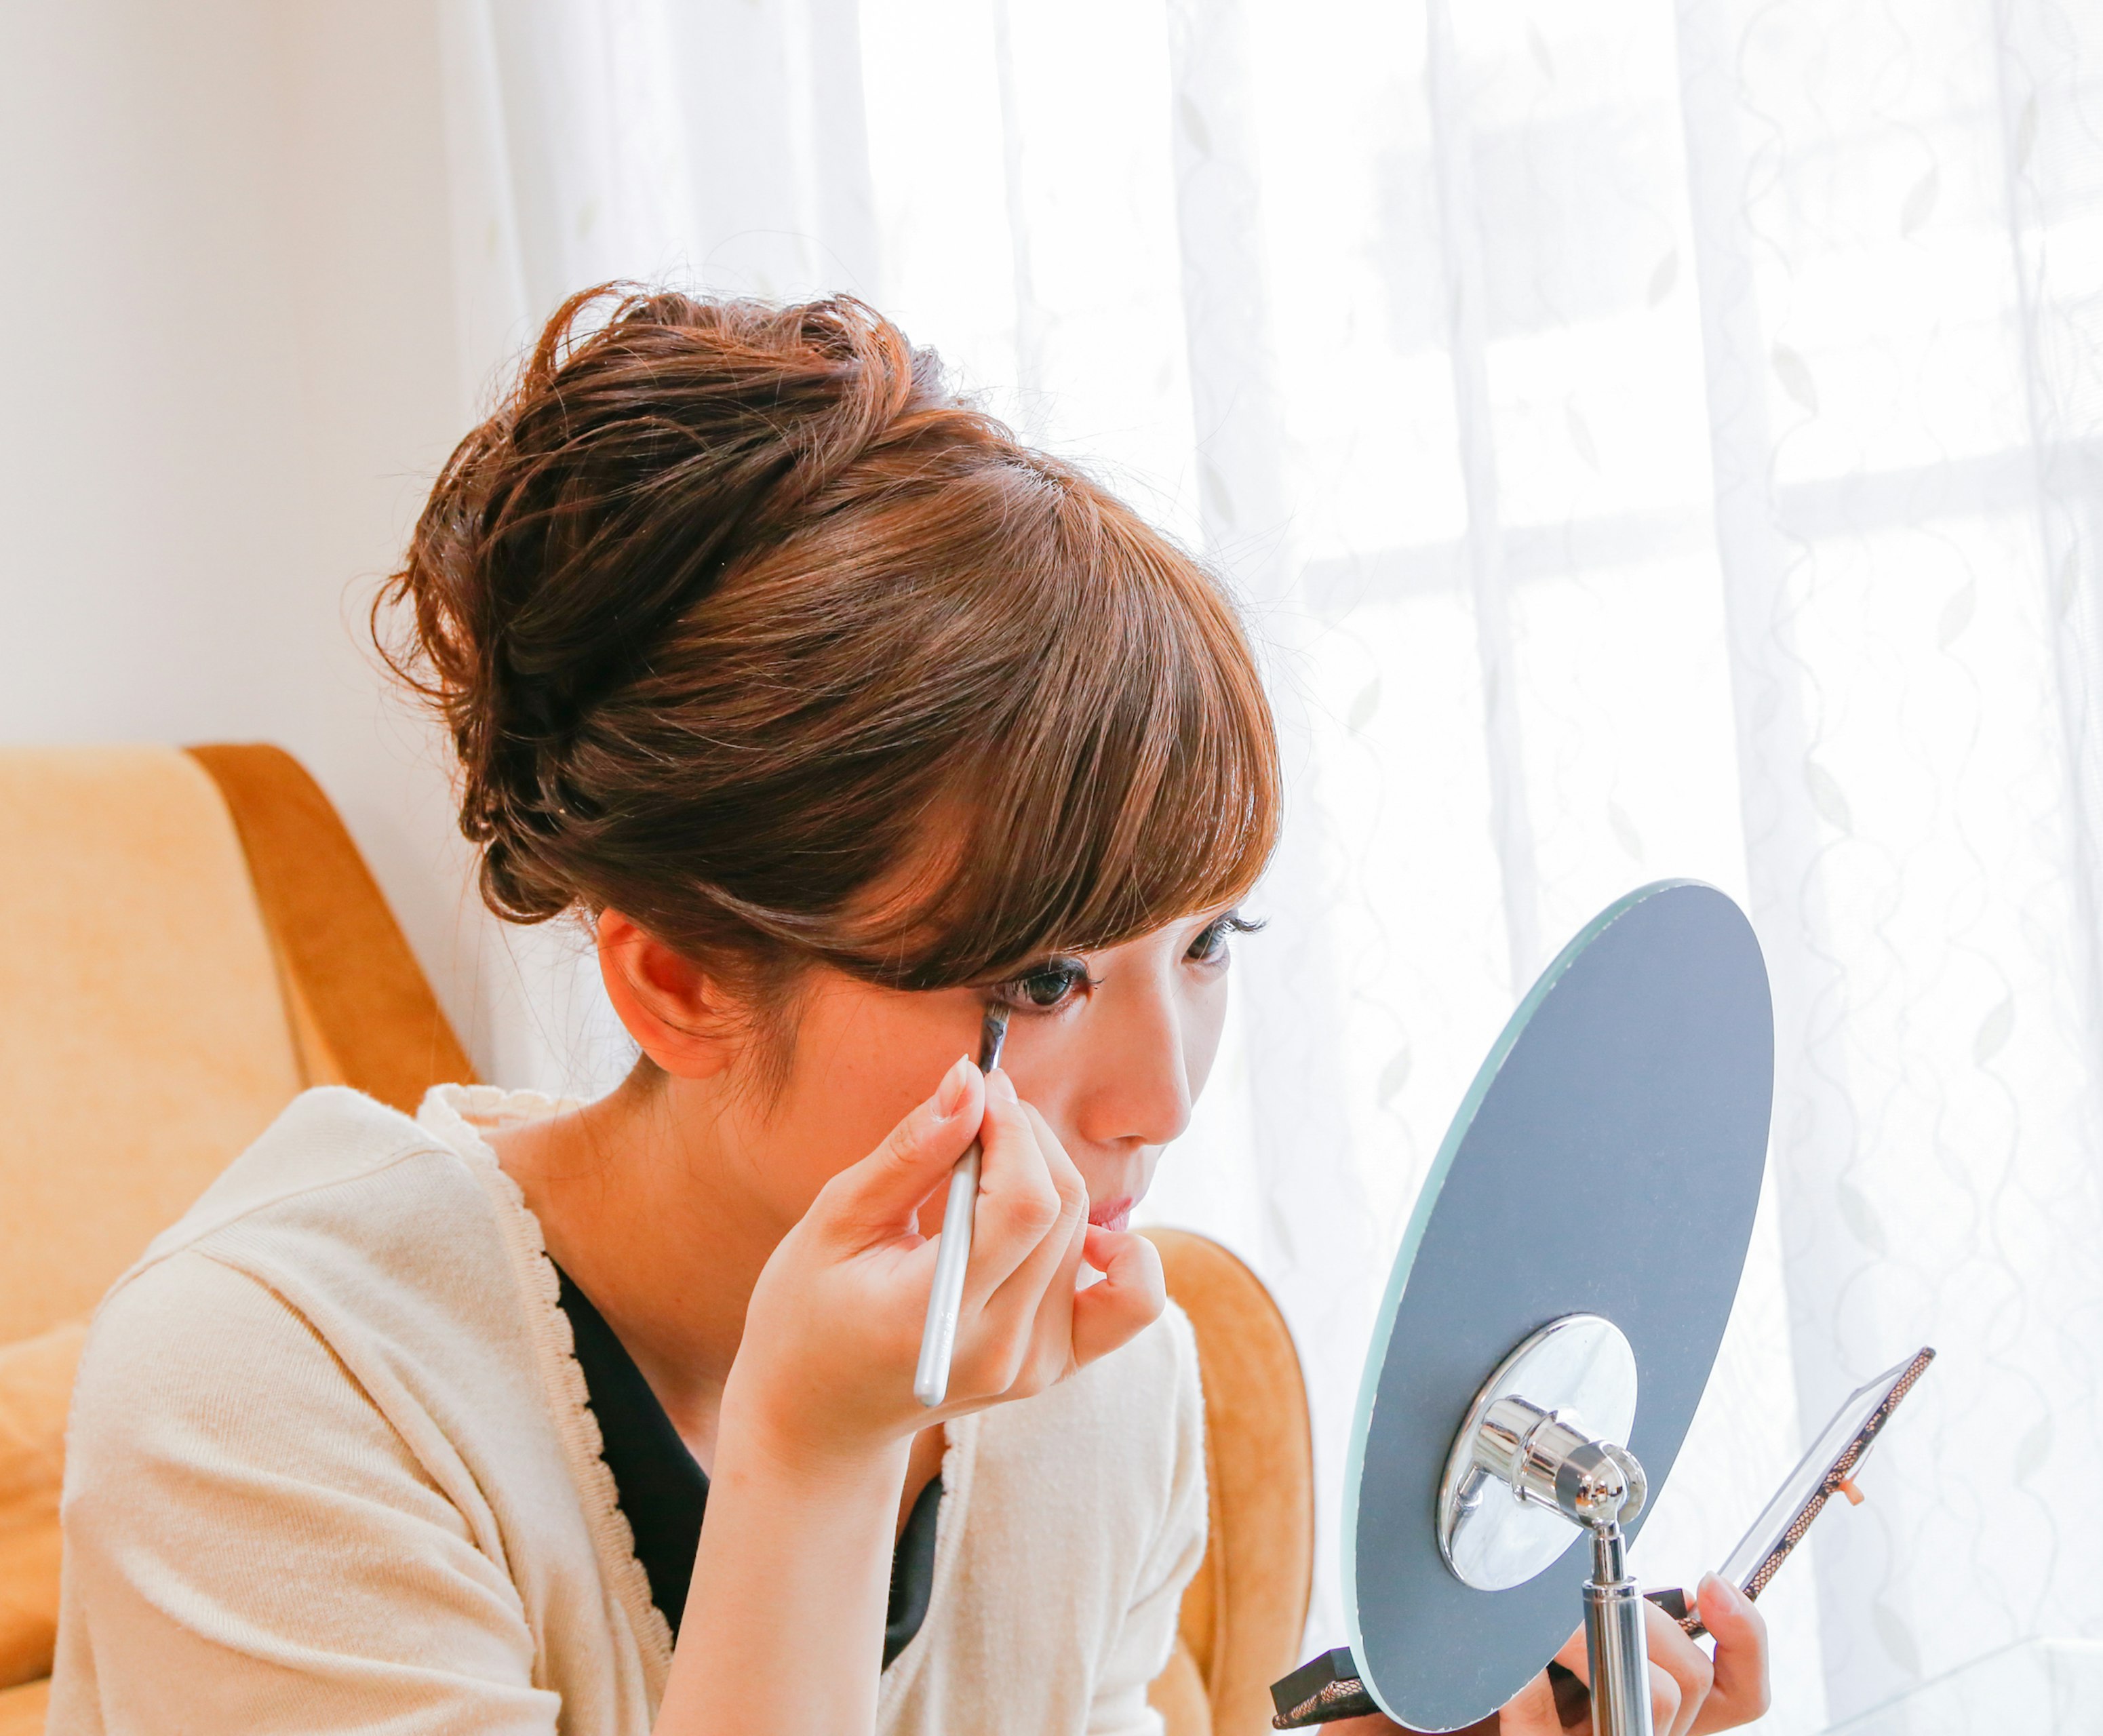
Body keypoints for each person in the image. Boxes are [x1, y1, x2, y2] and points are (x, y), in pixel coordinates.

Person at [47, 285, 1769, 1736]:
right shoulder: (266, 1395)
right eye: (1041, 977)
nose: (1160, 1099)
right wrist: (814, 1459)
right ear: (678, 978)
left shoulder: (1096, 1377)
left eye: (1207, 942)